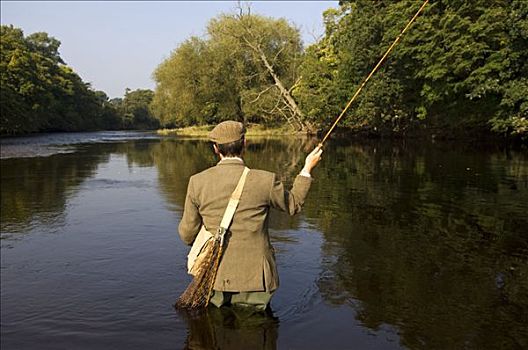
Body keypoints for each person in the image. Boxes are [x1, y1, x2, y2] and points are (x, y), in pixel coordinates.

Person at [178, 121, 322, 310]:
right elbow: (293, 205)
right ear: (244, 144)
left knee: (218, 328)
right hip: (257, 278)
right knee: (255, 329)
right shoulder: (265, 180)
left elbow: (187, 234)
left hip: (213, 275)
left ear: (215, 149)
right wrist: (306, 169)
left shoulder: (197, 182)